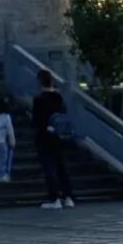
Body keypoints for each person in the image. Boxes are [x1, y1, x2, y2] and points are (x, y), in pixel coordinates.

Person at [33, 69, 74, 210]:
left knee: (49, 167)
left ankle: (55, 197)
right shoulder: (59, 97)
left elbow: (36, 121)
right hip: (60, 135)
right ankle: (68, 197)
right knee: (62, 166)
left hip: (44, 137)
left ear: (39, 82)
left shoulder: (39, 100)